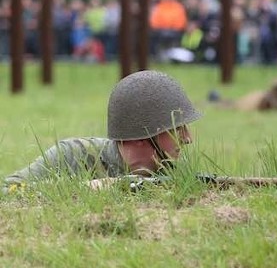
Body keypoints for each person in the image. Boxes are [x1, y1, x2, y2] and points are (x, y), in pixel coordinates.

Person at [3, 70, 201, 192]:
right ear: (143, 134)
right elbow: (7, 190)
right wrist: (81, 189)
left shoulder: (173, 173)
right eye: (177, 129)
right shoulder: (72, 155)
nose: (187, 138)